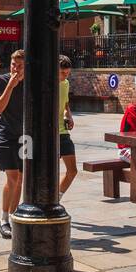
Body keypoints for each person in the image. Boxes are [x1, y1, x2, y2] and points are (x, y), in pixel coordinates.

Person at [0, 50, 26, 239]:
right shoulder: (2, 81)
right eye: (13, 65)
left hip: (24, 136)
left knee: (21, 178)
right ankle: (4, 219)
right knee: (12, 177)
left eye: (20, 66)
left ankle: (14, 216)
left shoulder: (30, 83)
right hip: (6, 134)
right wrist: (11, 86)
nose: (15, 69)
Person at [58, 56, 77, 196]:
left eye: (68, 73)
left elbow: (65, 104)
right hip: (48, 134)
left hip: (63, 131)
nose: (65, 76)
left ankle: (57, 197)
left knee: (72, 170)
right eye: (63, 73)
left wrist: (68, 115)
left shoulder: (65, 83)